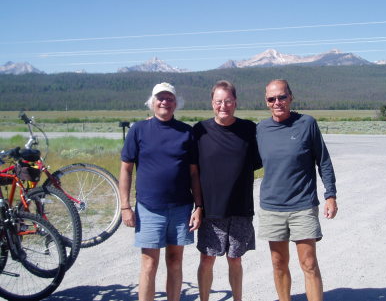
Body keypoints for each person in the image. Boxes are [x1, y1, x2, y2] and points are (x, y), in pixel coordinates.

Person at [119, 82, 203, 301]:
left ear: (176, 103)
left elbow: (194, 173)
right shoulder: (138, 130)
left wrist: (198, 206)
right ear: (152, 102)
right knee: (149, 264)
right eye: (160, 98)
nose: (165, 102)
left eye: (169, 98)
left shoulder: (186, 132)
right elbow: (126, 170)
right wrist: (125, 206)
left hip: (180, 208)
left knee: (175, 262)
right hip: (149, 208)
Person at [256, 79, 338, 301]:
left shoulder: (306, 123)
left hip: (302, 205)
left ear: (291, 97)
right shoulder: (261, 129)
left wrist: (330, 194)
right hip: (272, 207)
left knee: (309, 263)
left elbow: (324, 161)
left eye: (282, 97)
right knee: (278, 263)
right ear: (266, 102)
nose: (277, 102)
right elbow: (240, 158)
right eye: (272, 99)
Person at [193, 80, 261, 301]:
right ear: (212, 103)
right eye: (219, 101)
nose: (223, 106)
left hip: (240, 209)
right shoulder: (200, 130)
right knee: (207, 260)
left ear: (235, 102)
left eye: (228, 101)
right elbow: (189, 166)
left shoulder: (249, 130)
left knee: (235, 260)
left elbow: (262, 160)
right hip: (211, 211)